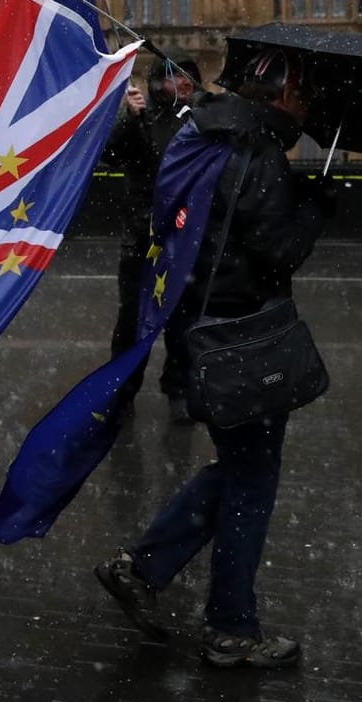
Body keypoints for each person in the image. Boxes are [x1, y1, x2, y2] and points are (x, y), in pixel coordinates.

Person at [94, 48, 333, 669]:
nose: (306, 107)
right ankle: (230, 627)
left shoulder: (206, 130)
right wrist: (316, 207)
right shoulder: (256, 152)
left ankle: (142, 568)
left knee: (237, 468)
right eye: (302, 94)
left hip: (203, 322)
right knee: (251, 480)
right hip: (243, 334)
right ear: (280, 92)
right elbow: (277, 251)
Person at [103, 55, 204, 423]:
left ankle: (177, 389)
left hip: (187, 237)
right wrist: (129, 119)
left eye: (189, 78)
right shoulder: (141, 119)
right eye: (176, 78)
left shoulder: (200, 122)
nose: (184, 84)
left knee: (182, 321)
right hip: (143, 237)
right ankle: (123, 390)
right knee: (132, 321)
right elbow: (110, 155)